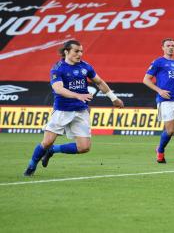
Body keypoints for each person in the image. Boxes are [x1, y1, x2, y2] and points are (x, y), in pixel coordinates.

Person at [23, 40, 124, 176]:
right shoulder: (58, 68)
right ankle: (31, 165)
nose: (80, 54)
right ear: (66, 52)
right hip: (62, 110)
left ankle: (53, 150)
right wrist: (77, 95)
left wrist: (113, 98)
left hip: (80, 111)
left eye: (81, 51)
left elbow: (99, 82)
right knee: (46, 142)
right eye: (76, 51)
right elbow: (58, 89)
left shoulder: (85, 66)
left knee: (84, 147)